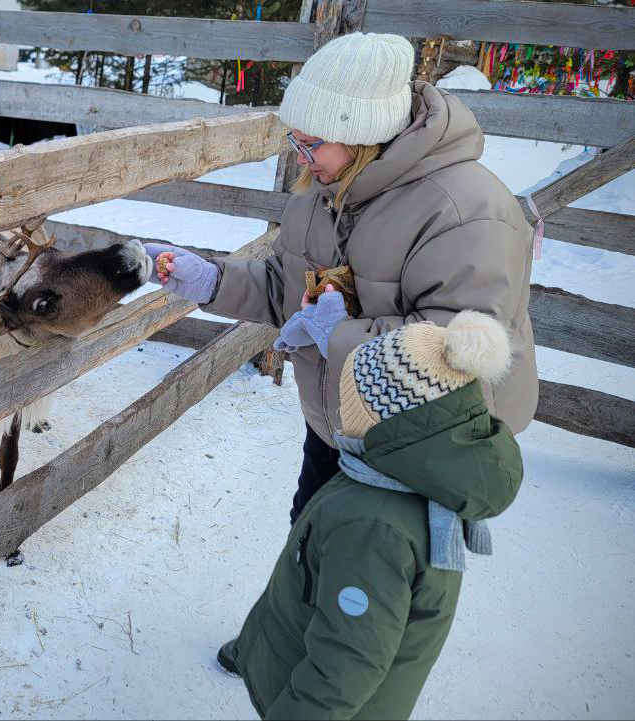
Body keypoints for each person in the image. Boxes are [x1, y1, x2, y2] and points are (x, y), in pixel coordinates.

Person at [143, 31, 537, 524]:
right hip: (337, 428)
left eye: (310, 144)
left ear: (360, 133)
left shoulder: (464, 209)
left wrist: (341, 337)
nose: (300, 157)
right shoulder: (321, 189)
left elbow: (462, 348)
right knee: (308, 551)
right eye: (296, 141)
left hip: (421, 446)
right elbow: (288, 289)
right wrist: (210, 281)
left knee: (370, 586)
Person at [226, 310, 524, 719]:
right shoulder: (393, 475)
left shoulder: (374, 528)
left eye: (349, 401)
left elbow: (344, 666)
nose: (340, 411)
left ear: (385, 422)